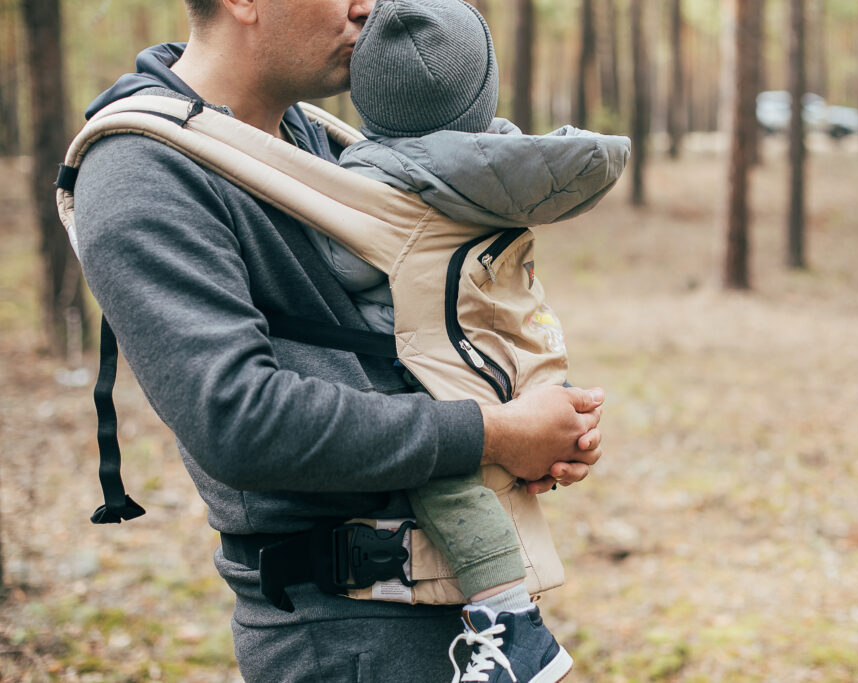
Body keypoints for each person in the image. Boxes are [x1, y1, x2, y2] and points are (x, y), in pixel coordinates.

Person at [70, 0, 604, 680]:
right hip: (345, 640)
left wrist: (538, 423)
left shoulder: (314, 139)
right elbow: (240, 419)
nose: (369, 6)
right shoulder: (142, 171)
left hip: (459, 617)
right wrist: (492, 432)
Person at [296, 2, 629, 681]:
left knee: (444, 480)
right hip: (512, 352)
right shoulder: (500, 164)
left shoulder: (381, 177)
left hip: (441, 368)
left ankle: (512, 623)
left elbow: (345, 267)